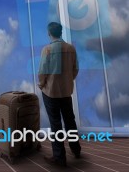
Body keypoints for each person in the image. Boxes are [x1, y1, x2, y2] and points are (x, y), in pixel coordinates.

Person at [38, 22, 81, 167]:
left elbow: (42, 72)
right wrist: (68, 80)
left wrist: (42, 84)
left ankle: (59, 157)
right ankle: (76, 150)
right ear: (61, 32)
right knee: (70, 120)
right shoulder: (71, 49)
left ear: (49, 33)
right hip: (66, 91)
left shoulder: (47, 50)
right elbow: (75, 69)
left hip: (51, 92)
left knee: (55, 124)